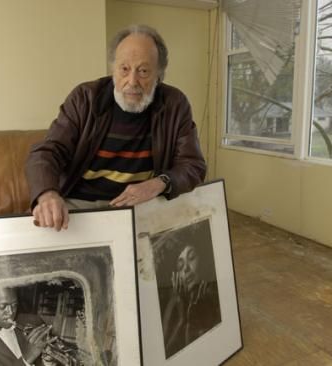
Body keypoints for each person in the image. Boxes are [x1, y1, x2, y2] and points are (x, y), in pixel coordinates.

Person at [25, 24, 206, 231]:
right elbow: (46, 153)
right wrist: (47, 193)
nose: (132, 81)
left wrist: (160, 183)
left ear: (159, 75)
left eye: (144, 71)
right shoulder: (84, 98)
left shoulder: (175, 104)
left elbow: (193, 165)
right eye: (125, 69)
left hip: (140, 208)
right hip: (79, 206)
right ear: (113, 69)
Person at [161, 244, 221, 358]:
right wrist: (182, 316)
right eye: (180, 264)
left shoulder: (214, 297)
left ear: (203, 261)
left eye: (192, 257)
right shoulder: (175, 302)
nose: (185, 268)